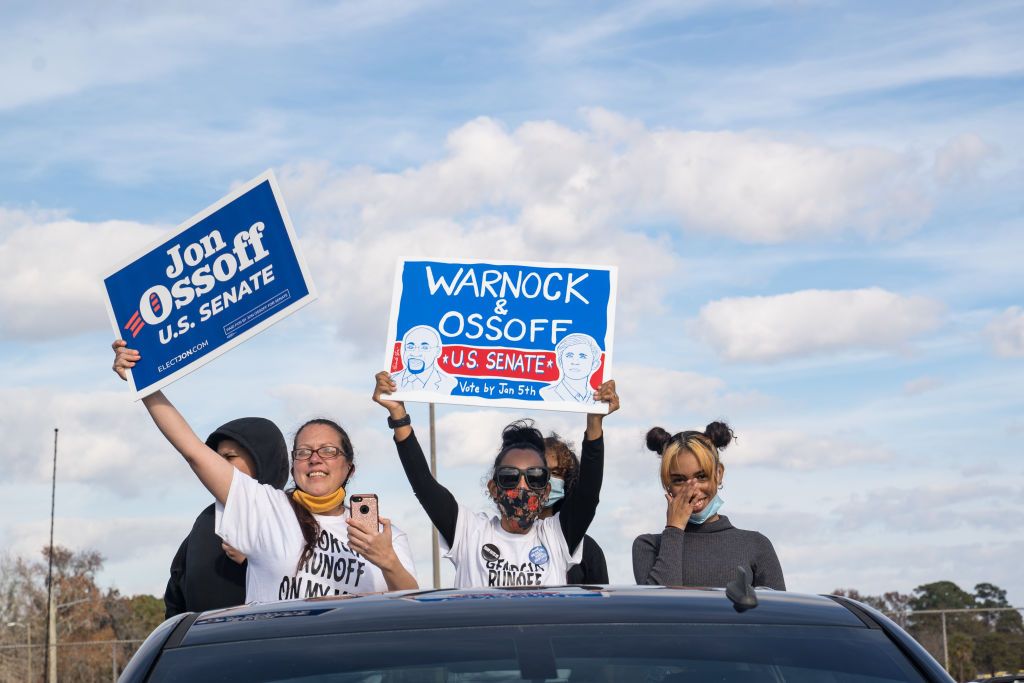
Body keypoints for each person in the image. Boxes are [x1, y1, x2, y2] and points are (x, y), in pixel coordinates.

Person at [112, 341, 418, 602]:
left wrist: (387, 560)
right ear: (293, 465)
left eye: (328, 451)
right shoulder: (265, 508)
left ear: (349, 468)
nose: (315, 459)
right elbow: (193, 450)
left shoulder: (383, 535)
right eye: (303, 452)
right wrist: (143, 381)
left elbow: (411, 611)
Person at [373, 371, 618, 588]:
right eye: (510, 477)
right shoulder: (469, 532)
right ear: (493, 487)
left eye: (535, 477)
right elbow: (423, 484)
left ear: (545, 490)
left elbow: (588, 493)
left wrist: (595, 422)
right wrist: (398, 415)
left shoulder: (556, 536)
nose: (523, 486)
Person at [632, 422, 785, 590]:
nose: (692, 489)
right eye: (679, 480)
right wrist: (674, 529)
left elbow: (779, 614)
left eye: (702, 476)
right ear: (667, 484)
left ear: (718, 474)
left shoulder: (756, 544)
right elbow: (661, 608)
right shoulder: (649, 546)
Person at [164, 416, 289, 617]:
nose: (218, 466)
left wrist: (253, 562)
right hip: (207, 645)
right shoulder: (205, 521)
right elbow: (175, 598)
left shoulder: (294, 519)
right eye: (216, 457)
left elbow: (310, 586)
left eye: (229, 457)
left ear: (263, 459)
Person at [541, 434, 608, 584]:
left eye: (556, 473)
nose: (548, 480)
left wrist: (594, 424)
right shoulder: (496, 536)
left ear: (568, 480)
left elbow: (589, 491)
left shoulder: (587, 549)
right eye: (541, 472)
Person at [390, 325, 457, 394]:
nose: (415, 353)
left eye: (425, 348)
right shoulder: (390, 381)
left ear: (437, 352)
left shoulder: (450, 384)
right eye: (410, 347)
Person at [539, 333, 603, 404]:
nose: (575, 362)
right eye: (569, 355)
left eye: (582, 356)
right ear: (560, 361)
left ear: (595, 364)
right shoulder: (546, 394)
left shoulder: (599, 401)